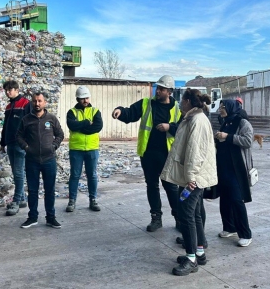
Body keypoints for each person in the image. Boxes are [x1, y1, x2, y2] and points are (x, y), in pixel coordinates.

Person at [112, 75, 181, 232]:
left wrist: (169, 127)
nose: (158, 91)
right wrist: (120, 111)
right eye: (158, 88)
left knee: (171, 187)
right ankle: (156, 218)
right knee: (152, 186)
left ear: (169, 91)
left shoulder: (178, 108)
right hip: (148, 154)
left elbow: (184, 128)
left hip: (168, 155)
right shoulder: (146, 103)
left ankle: (179, 218)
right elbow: (130, 113)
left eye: (162, 89)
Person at [160, 89, 217, 276]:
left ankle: (191, 258)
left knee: (186, 215)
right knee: (195, 215)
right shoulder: (193, 118)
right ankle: (199, 253)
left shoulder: (197, 120)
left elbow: (195, 151)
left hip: (194, 178)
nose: (179, 103)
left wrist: (191, 177)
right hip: (195, 176)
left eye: (181, 100)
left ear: (187, 101)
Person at [16, 92, 65, 229]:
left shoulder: (51, 119)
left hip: (49, 160)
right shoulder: (26, 120)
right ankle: (32, 217)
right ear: (31, 103)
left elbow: (60, 134)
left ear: (45, 103)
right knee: (33, 190)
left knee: (49, 190)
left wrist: (54, 146)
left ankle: (51, 217)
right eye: (34, 101)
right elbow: (18, 136)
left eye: (39, 101)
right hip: (32, 160)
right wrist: (26, 147)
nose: (37, 104)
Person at [215, 99, 254, 247]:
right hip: (224, 166)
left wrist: (227, 137)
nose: (220, 110)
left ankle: (245, 234)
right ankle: (229, 227)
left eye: (223, 107)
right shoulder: (226, 121)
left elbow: (248, 141)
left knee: (237, 200)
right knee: (224, 199)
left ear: (231, 108)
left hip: (237, 168)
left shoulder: (242, 122)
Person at [66, 86, 103, 212]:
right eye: (82, 99)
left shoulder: (95, 111)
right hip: (76, 148)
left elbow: (97, 127)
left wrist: (80, 127)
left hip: (92, 148)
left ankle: (93, 200)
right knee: (75, 175)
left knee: (92, 175)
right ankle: (72, 201)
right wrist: (87, 123)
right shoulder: (72, 112)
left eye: (87, 98)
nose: (85, 101)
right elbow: (72, 125)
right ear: (77, 99)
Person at [0, 80, 31, 216]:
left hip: (20, 144)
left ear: (17, 89)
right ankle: (23, 199)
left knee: (18, 173)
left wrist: (27, 143)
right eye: (6, 90)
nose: (8, 92)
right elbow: (6, 125)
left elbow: (30, 124)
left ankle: (17, 201)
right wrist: (2, 142)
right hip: (10, 143)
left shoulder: (25, 104)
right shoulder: (8, 106)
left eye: (10, 89)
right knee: (16, 172)